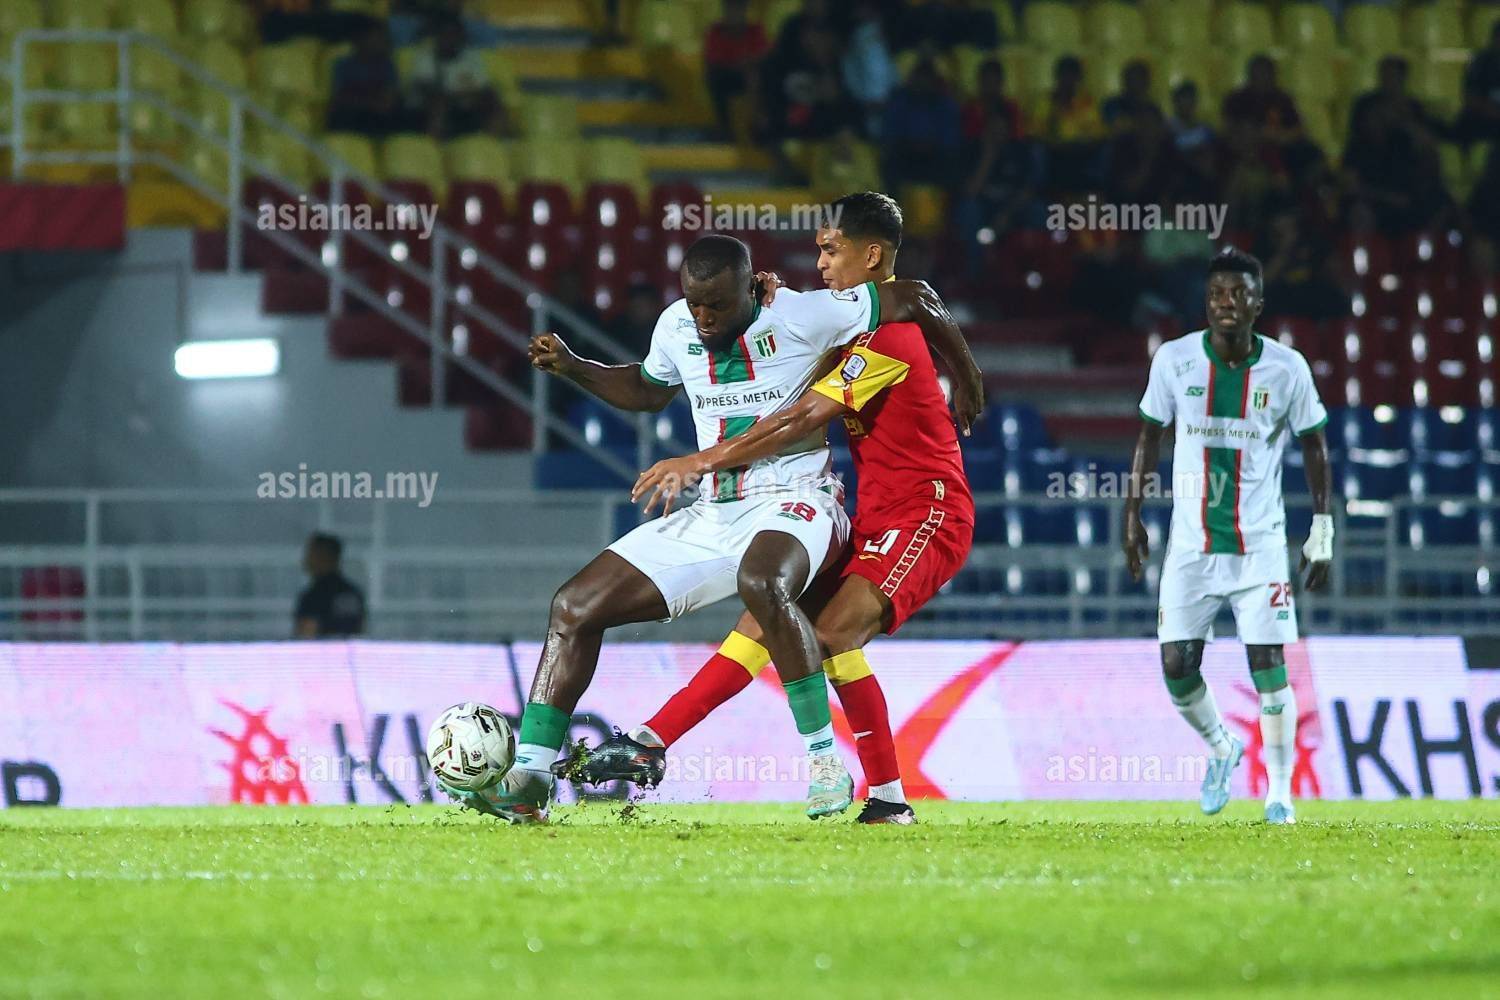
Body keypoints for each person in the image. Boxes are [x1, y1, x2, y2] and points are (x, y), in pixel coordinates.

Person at [458, 235, 980, 824]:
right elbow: (647, 390)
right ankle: (531, 778)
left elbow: (911, 298)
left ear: (750, 290)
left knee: (768, 586)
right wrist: (575, 366)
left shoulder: (805, 313)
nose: (703, 318)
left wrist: (966, 375)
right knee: (573, 606)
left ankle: (824, 762)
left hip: (800, 500)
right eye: (695, 303)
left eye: (717, 305)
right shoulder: (676, 325)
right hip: (714, 513)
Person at [1122, 248, 1333, 826]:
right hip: (1190, 547)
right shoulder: (1175, 360)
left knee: (1268, 664)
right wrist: (1131, 515)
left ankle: (1280, 794)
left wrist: (1322, 526)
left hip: (1260, 545)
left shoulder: (1287, 369)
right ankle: (1221, 746)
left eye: (1239, 294)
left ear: (1258, 304)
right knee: (1177, 665)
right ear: (1206, 302)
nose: (1227, 304)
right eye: (1217, 294)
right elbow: (1149, 436)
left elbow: (1315, 444)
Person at [406, 13, 512, 139]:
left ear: (461, 37)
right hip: (426, 111)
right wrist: (460, 95)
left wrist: (463, 96)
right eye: (445, 34)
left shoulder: (471, 58)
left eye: (453, 35)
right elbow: (426, 89)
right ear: (438, 37)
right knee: (438, 103)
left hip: (464, 107)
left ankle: (490, 143)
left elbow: (483, 88)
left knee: (493, 99)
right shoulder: (425, 57)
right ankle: (433, 145)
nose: (449, 39)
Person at [704, 0, 770, 138]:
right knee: (715, 77)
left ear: (745, 11)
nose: (735, 14)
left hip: (750, 77)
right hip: (725, 78)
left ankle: (758, 125)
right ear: (725, 11)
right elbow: (714, 60)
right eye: (732, 9)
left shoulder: (755, 31)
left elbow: (764, 57)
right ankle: (725, 128)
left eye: (739, 9)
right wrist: (742, 63)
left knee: (756, 77)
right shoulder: (716, 31)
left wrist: (748, 63)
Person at [326, 22, 402, 136]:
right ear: (360, 40)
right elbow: (339, 98)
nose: (381, 43)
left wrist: (362, 100)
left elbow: (388, 100)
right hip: (350, 117)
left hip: (378, 119)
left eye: (382, 38)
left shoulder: (387, 66)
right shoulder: (343, 65)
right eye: (375, 38)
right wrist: (370, 102)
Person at [294, 533, 366, 638]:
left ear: (323, 556)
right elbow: (360, 630)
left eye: (311, 554)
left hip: (321, 648)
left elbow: (306, 634)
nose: (306, 559)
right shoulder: (353, 593)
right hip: (350, 648)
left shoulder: (314, 596)